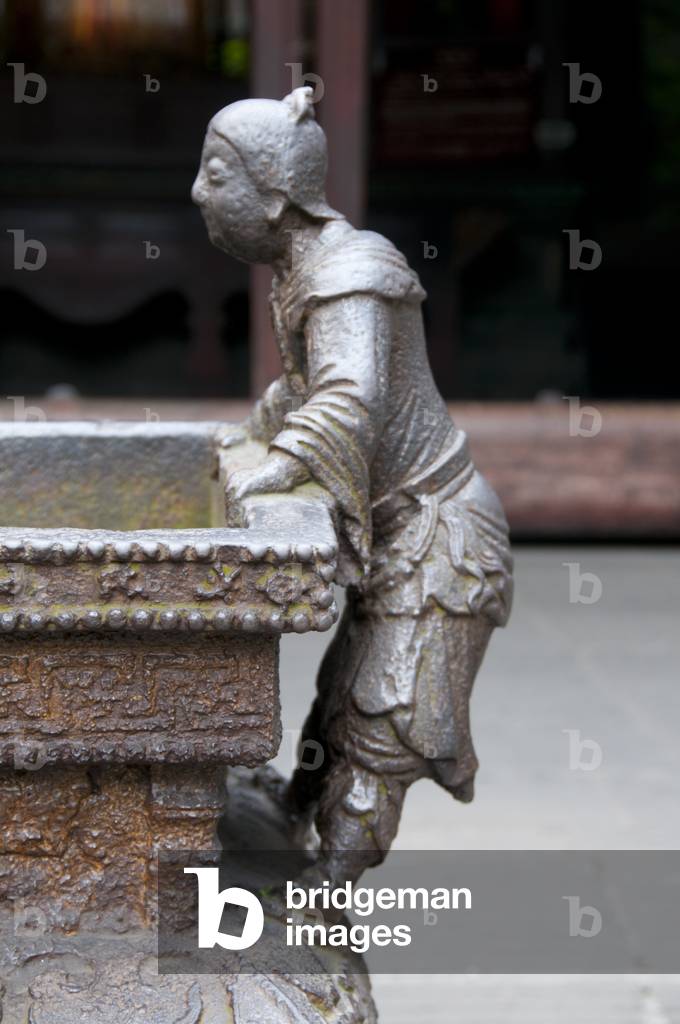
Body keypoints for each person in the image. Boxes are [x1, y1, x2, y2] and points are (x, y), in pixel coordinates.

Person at [192, 86, 513, 886]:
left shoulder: (349, 274)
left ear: (274, 198)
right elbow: (309, 387)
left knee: (384, 731)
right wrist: (265, 424)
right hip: (404, 537)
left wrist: (284, 461)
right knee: (335, 712)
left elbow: (349, 394)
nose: (200, 193)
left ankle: (322, 909)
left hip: (441, 542)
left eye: (216, 175)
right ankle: (284, 851)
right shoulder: (304, 269)